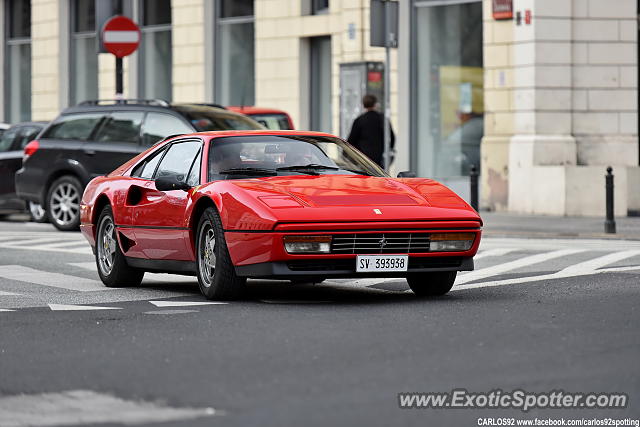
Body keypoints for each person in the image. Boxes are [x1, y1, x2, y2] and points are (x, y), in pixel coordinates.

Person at [347, 94, 395, 169]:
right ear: (375, 104)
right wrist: (390, 149)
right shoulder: (382, 119)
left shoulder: (359, 120)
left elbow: (351, 140)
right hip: (380, 157)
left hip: (364, 159)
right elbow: (392, 137)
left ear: (363, 105)